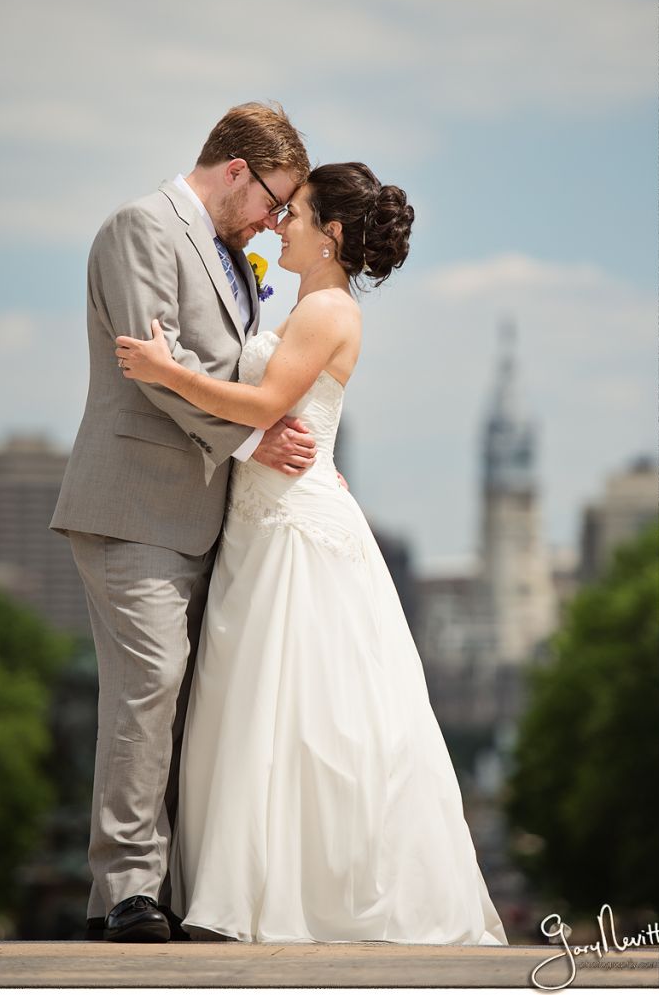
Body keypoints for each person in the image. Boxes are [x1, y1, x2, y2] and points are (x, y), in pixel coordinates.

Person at [114, 162, 509, 946]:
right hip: (264, 521)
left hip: (296, 530)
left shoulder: (328, 309)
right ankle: (249, 892)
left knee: (294, 705)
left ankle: (278, 899)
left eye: (294, 212)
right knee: (254, 703)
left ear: (331, 232)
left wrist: (167, 371)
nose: (278, 224)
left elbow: (265, 405)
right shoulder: (309, 302)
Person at [50, 102, 314, 944]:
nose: (275, 221)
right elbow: (159, 371)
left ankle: (157, 889)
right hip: (132, 504)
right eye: (274, 200)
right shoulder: (142, 228)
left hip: (204, 516)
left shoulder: (234, 256)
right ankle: (127, 887)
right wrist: (254, 438)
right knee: (150, 684)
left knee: (189, 703)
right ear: (236, 168)